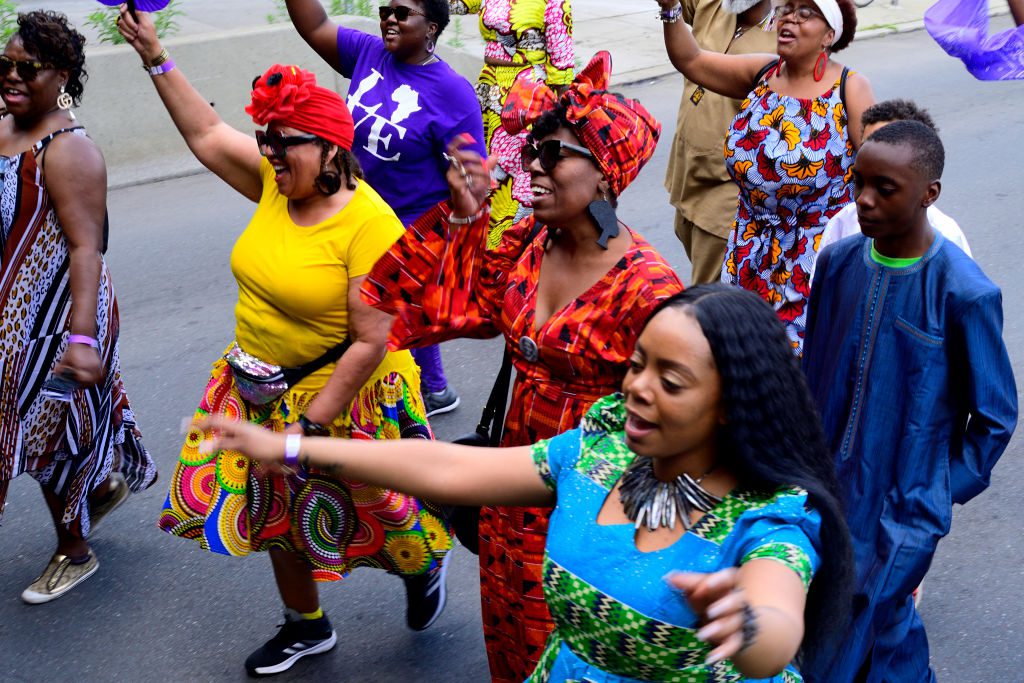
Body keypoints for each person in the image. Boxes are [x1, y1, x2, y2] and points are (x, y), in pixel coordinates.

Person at [200, 284, 854, 683]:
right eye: (636, 365)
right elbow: (453, 468)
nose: (636, 387)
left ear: (730, 404)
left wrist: (745, 622)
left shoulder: (771, 516)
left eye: (671, 379)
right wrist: (297, 446)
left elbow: (776, 619)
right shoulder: (601, 449)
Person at [117, 10, 454, 677]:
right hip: (256, 382)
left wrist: (305, 429)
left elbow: (368, 340)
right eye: (266, 138)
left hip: (346, 394)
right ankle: (307, 625)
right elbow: (208, 131)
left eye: (285, 141)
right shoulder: (277, 183)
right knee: (276, 510)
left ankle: (425, 566)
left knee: (383, 514)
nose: (270, 151)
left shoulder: (369, 224)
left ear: (333, 149)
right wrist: (155, 53)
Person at [362, 52, 682, 682]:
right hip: (510, 495)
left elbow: (681, 432)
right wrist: (460, 218)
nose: (531, 164)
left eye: (554, 153)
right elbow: (433, 308)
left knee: (574, 657)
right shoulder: (531, 245)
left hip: (591, 507)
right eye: (533, 149)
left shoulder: (650, 291)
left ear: (606, 177)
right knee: (509, 647)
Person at [802, 121, 1018, 682]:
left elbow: (994, 416)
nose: (864, 200)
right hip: (820, 488)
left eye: (885, 188)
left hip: (903, 506)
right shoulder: (838, 262)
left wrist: (935, 491)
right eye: (859, 183)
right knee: (851, 632)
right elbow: (814, 369)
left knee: (857, 624)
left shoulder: (964, 290)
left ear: (929, 194)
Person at [0, 9, 157, 604]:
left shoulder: (67, 150)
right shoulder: (3, 124)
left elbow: (86, 247)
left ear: (60, 75)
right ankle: (98, 488)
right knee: (51, 425)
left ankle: (75, 552)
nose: (11, 76)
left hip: (56, 315)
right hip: (10, 309)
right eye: (5, 65)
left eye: (27, 69)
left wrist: (81, 340)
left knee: (48, 433)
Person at [283, 0, 488, 417]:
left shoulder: (451, 91)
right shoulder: (368, 53)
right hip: (356, 210)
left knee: (382, 314)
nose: (389, 18)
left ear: (431, 27)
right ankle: (434, 390)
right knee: (381, 314)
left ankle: (409, 397)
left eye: (402, 11)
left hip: (409, 225)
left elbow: (475, 177)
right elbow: (315, 23)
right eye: (385, 9)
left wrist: (454, 225)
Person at [657, 0, 874, 352]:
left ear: (829, 35)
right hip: (748, 253)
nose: (790, 18)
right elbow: (691, 60)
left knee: (795, 372)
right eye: (786, 9)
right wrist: (669, 12)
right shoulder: (763, 72)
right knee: (737, 361)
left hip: (810, 265)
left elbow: (878, 171)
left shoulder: (850, 88)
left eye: (805, 13)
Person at [664, 0, 776, 285]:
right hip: (687, 181)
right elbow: (677, 17)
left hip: (725, 200)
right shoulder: (715, 5)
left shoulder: (785, 37)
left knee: (708, 305)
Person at [448, 0, 574, 246]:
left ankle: (509, 250)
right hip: (489, 92)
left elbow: (562, 65)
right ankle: (483, 248)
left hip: (526, 99)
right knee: (485, 174)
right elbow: (453, 5)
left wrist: (563, 122)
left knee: (516, 180)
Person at [817, 99, 971, 261]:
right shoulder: (842, 226)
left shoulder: (947, 238)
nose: (872, 156)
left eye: (887, 149)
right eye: (866, 146)